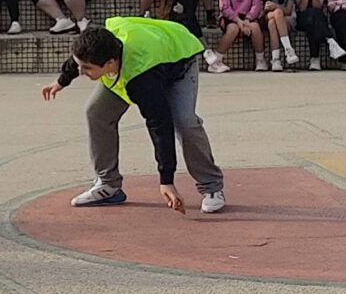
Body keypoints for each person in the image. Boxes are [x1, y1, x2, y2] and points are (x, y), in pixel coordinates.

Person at [44, 18, 226, 215]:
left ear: (109, 63)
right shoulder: (101, 46)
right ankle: (108, 184)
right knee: (97, 112)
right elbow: (78, 58)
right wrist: (61, 81)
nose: (81, 72)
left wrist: (166, 181)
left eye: (87, 68)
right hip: (143, 56)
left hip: (178, 60)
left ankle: (211, 186)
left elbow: (159, 125)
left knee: (185, 122)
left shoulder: (141, 79)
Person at [214, 0, 268, 71]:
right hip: (230, 16)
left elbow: (256, 5)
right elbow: (224, 7)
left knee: (255, 27)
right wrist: (238, 21)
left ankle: (260, 60)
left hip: (248, 16)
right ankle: (216, 60)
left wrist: (248, 19)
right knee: (233, 29)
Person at [255, 0, 300, 69]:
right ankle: (288, 49)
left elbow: (288, 11)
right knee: (276, 14)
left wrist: (276, 6)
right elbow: (258, 9)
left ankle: (275, 59)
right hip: (266, 15)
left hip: (287, 19)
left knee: (273, 21)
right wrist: (265, 8)